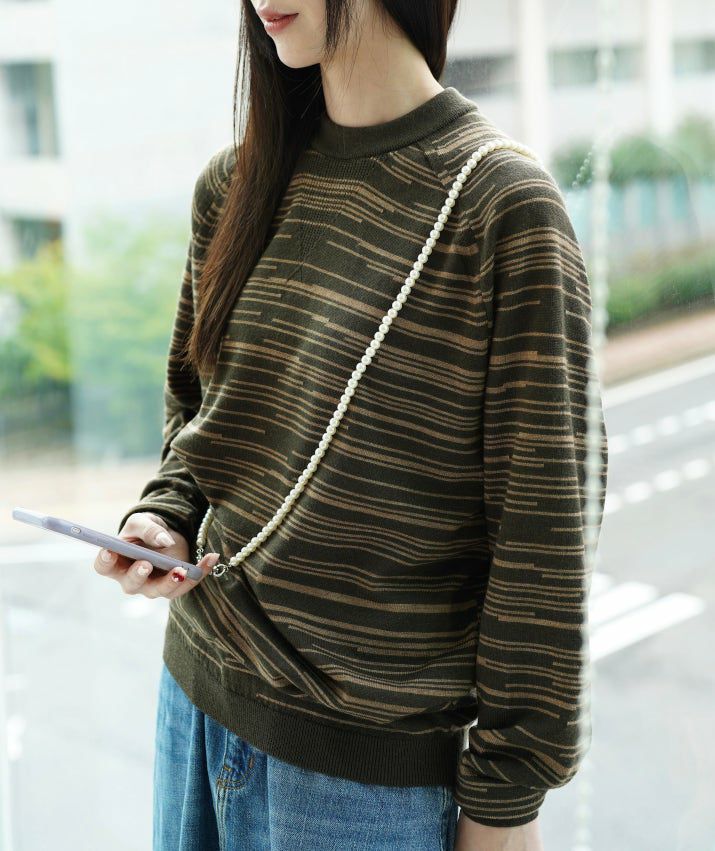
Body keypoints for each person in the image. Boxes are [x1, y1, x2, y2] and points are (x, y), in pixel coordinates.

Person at [93, 1, 609, 849]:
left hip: (360, 781)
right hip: (191, 705)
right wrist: (166, 518)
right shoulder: (234, 185)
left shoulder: (501, 209)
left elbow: (542, 539)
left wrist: (503, 807)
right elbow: (198, 411)